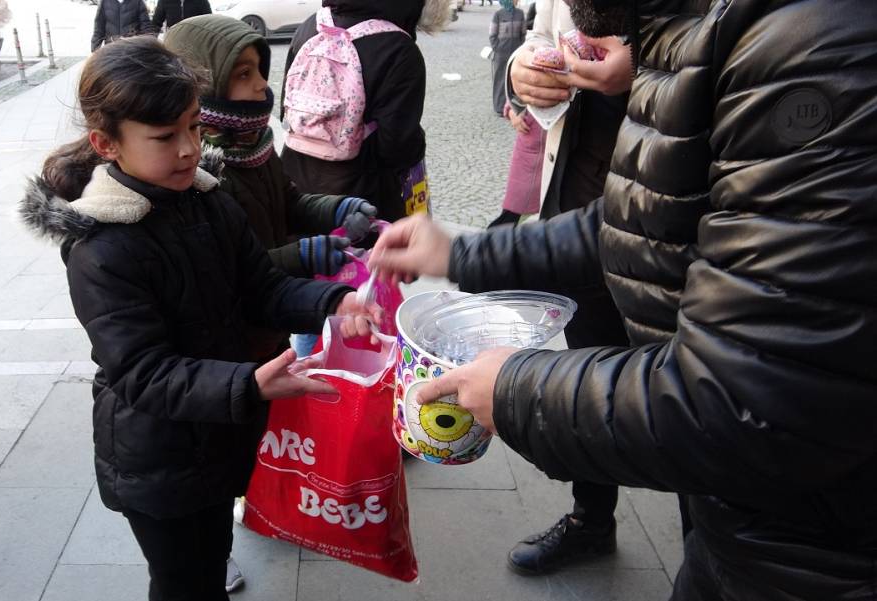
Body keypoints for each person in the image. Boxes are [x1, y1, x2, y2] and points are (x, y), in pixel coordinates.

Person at [369, 0, 877, 598]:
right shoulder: (685, 26)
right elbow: (641, 215)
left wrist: (512, 389)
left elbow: (748, 402)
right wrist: (460, 255)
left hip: (821, 549)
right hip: (744, 518)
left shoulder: (804, 44)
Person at [20, 37, 379, 601]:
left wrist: (333, 303)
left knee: (209, 559)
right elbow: (141, 372)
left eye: (193, 127)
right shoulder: (103, 250)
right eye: (165, 137)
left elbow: (259, 286)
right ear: (105, 144)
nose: (188, 149)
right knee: (183, 579)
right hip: (157, 457)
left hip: (218, 435)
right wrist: (247, 383)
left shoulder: (209, 200)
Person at [161, 13, 380, 587]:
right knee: (212, 455)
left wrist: (333, 211)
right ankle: (214, 546)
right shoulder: (200, 173)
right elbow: (241, 273)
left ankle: (247, 508)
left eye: (261, 70)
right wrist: (311, 255)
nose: (262, 86)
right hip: (215, 350)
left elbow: (286, 198)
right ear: (200, 83)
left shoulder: (252, 143)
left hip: (260, 335)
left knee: (248, 440)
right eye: (243, 74)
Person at [495, 0, 635, 575]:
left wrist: (645, 66)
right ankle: (591, 520)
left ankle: (709, 545)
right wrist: (520, 70)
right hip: (576, 194)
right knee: (589, 372)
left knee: (700, 389)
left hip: (674, 213)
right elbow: (539, 39)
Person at [280, 0, 452, 222]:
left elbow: (287, 108)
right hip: (359, 204)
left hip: (295, 187)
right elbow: (397, 148)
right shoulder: (399, 48)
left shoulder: (311, 25)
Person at [488, 0, 526, 116]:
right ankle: (499, 107)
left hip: (515, 53)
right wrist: (497, 48)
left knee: (513, 80)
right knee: (500, 80)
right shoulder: (498, 14)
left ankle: (512, 106)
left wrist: (520, 47)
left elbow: (523, 34)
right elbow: (492, 35)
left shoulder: (520, 14)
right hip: (501, 54)